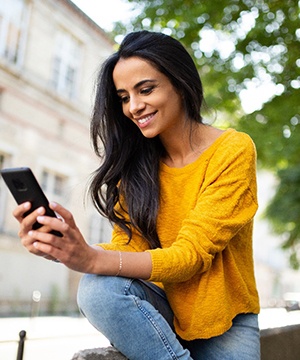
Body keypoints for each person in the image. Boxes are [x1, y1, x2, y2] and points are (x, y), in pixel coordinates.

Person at [13, 30, 260, 359]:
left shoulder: (232, 150)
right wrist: (65, 247)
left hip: (225, 321)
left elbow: (191, 257)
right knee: (97, 288)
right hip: (161, 315)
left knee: (96, 270)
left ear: (180, 83)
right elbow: (127, 249)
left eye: (146, 90)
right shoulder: (137, 164)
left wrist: (91, 257)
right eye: (124, 97)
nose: (134, 106)